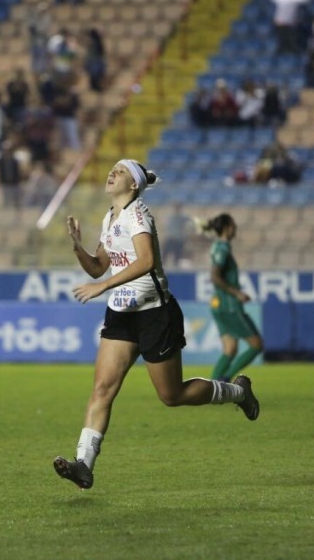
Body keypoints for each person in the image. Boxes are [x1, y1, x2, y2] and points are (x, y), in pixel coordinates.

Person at [53, 160, 260, 490]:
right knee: (102, 389)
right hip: (122, 314)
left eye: (119, 172)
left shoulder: (138, 215)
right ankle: (83, 464)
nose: (111, 173)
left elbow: (146, 261)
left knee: (172, 395)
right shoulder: (110, 217)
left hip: (154, 314)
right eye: (113, 170)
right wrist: (78, 247)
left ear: (133, 185)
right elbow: (96, 268)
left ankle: (237, 392)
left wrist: (104, 286)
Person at [197, 214, 265, 382]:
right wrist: (237, 293)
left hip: (217, 304)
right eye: (233, 224)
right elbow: (215, 276)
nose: (235, 228)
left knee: (230, 349)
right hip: (229, 306)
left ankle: (211, 388)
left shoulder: (217, 247)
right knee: (256, 345)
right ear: (227, 227)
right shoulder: (222, 249)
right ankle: (226, 379)